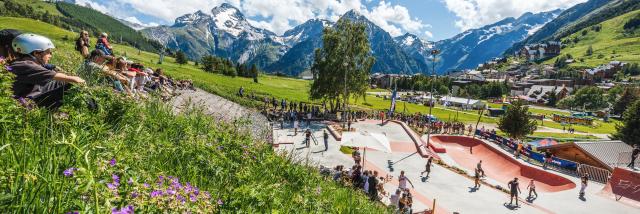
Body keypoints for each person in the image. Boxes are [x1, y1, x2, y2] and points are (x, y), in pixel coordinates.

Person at [9, 34, 86, 109]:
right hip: (25, 104)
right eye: (48, 52)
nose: (50, 55)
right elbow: (55, 76)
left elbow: (46, 70)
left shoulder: (22, 62)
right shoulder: (25, 66)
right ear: (36, 53)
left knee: (61, 83)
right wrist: (76, 79)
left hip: (32, 95)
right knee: (70, 86)